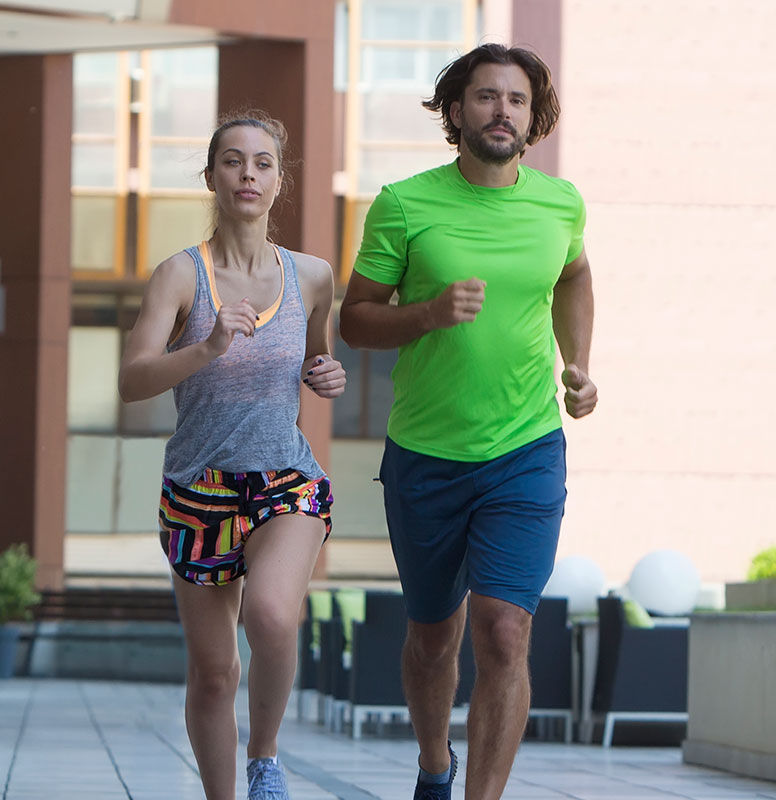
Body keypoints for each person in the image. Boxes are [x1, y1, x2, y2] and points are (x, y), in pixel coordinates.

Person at [337, 43, 597, 800]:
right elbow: (356, 320)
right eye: (486, 97)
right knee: (432, 637)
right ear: (457, 111)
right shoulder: (404, 204)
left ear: (532, 116)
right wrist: (425, 313)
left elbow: (575, 274)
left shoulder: (561, 204)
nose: (502, 111)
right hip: (426, 453)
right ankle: (433, 767)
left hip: (525, 447)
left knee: (504, 631)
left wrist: (579, 363)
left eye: (516, 99)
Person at [119, 112, 346, 800]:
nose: (249, 174)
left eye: (263, 163)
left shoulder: (312, 277)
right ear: (212, 177)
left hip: (286, 478)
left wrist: (326, 374)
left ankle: (265, 757)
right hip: (199, 488)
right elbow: (132, 380)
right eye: (233, 161)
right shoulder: (179, 276)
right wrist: (208, 346)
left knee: (272, 614)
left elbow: (314, 357)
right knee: (215, 675)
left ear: (279, 181)